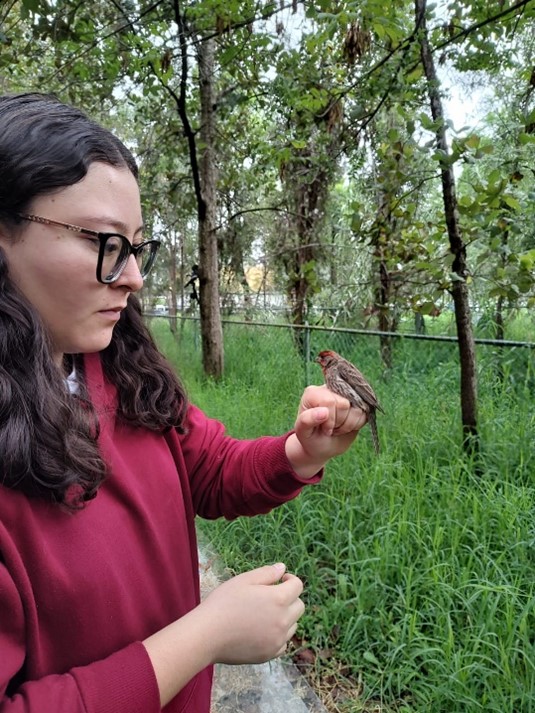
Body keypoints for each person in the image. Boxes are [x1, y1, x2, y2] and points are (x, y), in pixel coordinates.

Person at [0, 92, 367, 713]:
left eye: (136, 246)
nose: (135, 276)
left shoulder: (119, 367)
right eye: (105, 243)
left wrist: (299, 451)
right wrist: (205, 635)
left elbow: (209, 468)